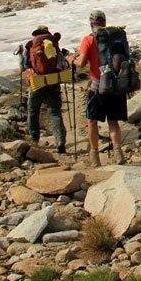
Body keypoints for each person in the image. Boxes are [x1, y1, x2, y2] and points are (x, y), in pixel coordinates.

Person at [68, 10, 126, 166]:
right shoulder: (116, 36)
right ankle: (118, 152)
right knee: (113, 121)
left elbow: (81, 63)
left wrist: (72, 60)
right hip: (116, 85)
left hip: (97, 85)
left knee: (92, 121)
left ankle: (94, 156)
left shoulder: (88, 40)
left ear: (91, 22)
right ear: (104, 22)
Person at [21, 25, 67, 155]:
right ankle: (60, 141)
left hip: (37, 83)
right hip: (53, 82)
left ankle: (34, 139)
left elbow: (26, 65)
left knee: (33, 110)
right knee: (55, 112)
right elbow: (61, 63)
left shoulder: (31, 45)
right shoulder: (53, 43)